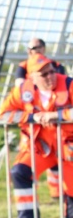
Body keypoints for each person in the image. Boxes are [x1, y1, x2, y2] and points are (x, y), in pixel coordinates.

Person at [0, 52, 73, 218]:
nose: (50, 76)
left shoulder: (69, 84)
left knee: (71, 195)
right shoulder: (23, 90)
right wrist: (33, 117)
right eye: (44, 74)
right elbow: (4, 114)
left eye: (51, 71)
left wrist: (56, 116)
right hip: (41, 147)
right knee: (19, 172)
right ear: (32, 77)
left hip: (68, 149)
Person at [14, 38, 67, 200]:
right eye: (30, 48)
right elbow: (19, 92)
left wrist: (57, 115)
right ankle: (30, 212)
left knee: (59, 164)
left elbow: (62, 88)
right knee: (22, 170)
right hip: (35, 133)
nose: (33, 50)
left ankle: (57, 193)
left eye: (36, 47)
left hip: (60, 133)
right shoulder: (23, 67)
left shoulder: (57, 67)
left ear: (44, 48)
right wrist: (32, 116)